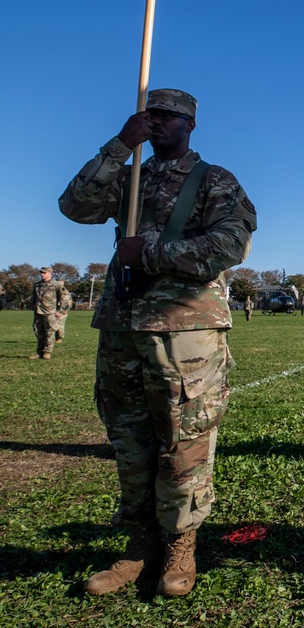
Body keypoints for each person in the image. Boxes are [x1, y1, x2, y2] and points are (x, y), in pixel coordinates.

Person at [59, 89, 257, 598]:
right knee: (129, 441)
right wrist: (119, 146)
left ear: (190, 124)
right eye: (152, 116)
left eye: (170, 117)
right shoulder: (130, 177)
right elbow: (74, 205)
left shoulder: (215, 180)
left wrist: (146, 249)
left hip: (186, 333)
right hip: (122, 326)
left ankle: (179, 548)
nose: (159, 123)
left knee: (183, 443)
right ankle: (136, 546)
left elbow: (227, 247)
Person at [29, 266, 69, 359]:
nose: (42, 274)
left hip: (50, 312)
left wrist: (60, 310)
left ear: (50, 273)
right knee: (39, 332)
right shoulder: (37, 285)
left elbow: (64, 298)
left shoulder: (56, 285)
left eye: (44, 273)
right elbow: (34, 298)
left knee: (50, 332)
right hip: (38, 312)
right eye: (41, 273)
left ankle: (47, 352)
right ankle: (39, 352)